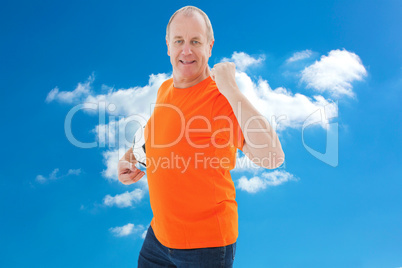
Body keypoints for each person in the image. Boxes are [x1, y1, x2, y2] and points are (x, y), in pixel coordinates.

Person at [117, 6, 284, 268]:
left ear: (209, 46)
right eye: (179, 41)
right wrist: (129, 158)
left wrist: (232, 91)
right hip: (158, 238)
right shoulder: (165, 89)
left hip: (205, 248)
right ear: (168, 46)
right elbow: (153, 134)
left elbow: (273, 157)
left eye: (195, 41)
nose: (186, 50)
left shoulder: (221, 99)